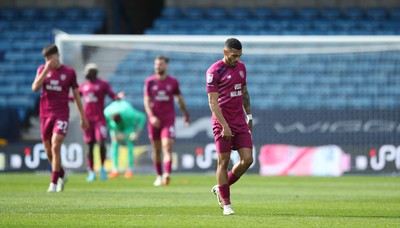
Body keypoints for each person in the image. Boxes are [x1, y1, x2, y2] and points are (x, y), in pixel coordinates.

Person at [206, 38, 253, 215]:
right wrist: (224, 126)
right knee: (223, 162)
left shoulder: (241, 67)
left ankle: (220, 187)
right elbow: (213, 102)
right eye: (234, 55)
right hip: (222, 122)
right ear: (225, 52)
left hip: (240, 121)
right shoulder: (214, 71)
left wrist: (249, 116)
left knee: (248, 159)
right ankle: (226, 204)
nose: (237, 59)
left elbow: (245, 92)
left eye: (239, 56)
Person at [32, 44, 88, 192]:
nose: (49, 61)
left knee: (56, 145)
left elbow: (76, 96)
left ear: (58, 55)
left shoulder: (69, 72)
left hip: (62, 114)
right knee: (48, 149)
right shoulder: (42, 70)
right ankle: (61, 174)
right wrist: (46, 69)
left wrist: (83, 117)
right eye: (46, 59)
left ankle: (53, 182)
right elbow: (35, 88)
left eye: (51, 58)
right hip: (45, 115)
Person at [143, 56, 190, 186]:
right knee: (157, 149)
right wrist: (151, 116)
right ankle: (158, 175)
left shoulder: (173, 82)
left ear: (166, 66)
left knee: (167, 147)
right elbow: (146, 101)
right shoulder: (150, 82)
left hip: (168, 120)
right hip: (154, 121)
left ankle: (167, 174)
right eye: (156, 64)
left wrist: (185, 113)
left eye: (161, 64)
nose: (158, 66)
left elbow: (179, 99)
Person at [78, 63, 124, 182]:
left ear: (94, 72)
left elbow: (112, 96)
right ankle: (91, 171)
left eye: (88, 71)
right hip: (87, 120)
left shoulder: (103, 84)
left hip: (99, 120)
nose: (86, 73)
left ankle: (102, 167)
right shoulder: (83, 86)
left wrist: (118, 97)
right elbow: (75, 98)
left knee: (101, 143)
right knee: (90, 145)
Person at [104, 99, 146, 178]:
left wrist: (137, 133)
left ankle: (130, 170)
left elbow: (142, 117)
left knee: (130, 144)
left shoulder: (129, 114)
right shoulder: (106, 113)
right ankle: (115, 169)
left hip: (128, 126)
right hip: (114, 129)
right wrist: (113, 131)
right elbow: (103, 122)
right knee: (115, 144)